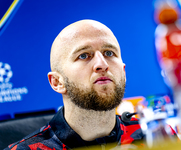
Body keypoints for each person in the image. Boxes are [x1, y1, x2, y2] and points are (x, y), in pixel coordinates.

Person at [5, 19, 146, 150]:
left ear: (123, 72)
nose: (102, 64)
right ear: (57, 82)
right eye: (84, 55)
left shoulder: (154, 135)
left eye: (109, 53)